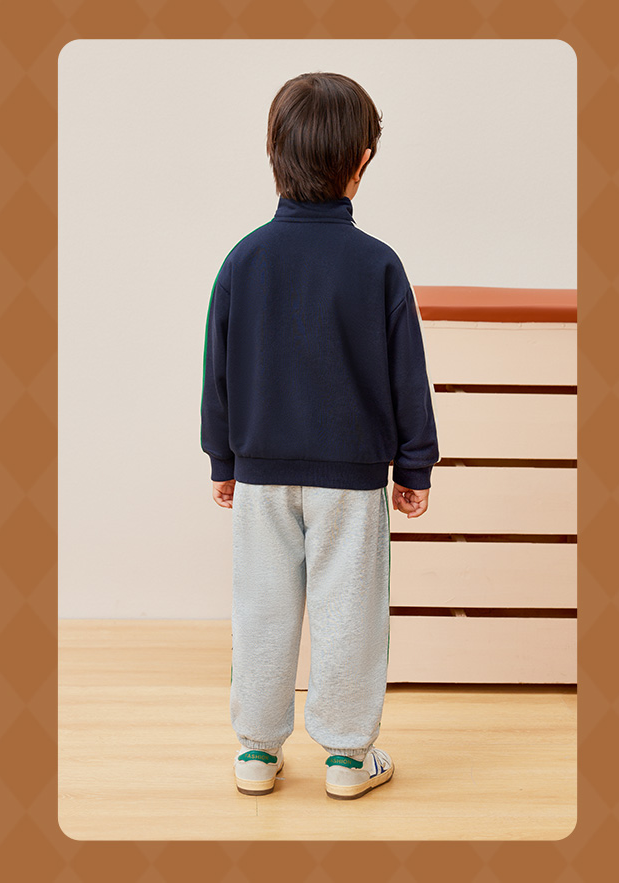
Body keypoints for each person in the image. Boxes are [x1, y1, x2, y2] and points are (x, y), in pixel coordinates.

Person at [200, 71, 439, 800]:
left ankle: (256, 751)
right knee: (350, 616)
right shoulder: (379, 264)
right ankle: (345, 758)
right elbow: (408, 375)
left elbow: (218, 369)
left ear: (272, 152)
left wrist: (222, 458)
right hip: (351, 481)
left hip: (262, 476)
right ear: (361, 162)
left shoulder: (243, 260)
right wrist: (415, 467)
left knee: (262, 611)